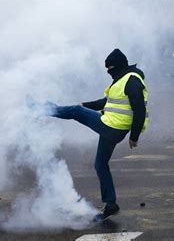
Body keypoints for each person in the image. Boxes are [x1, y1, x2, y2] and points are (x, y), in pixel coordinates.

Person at [28, 49, 148, 221]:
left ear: (120, 65)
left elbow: (140, 110)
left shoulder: (132, 81)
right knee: (100, 165)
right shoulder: (121, 80)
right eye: (107, 69)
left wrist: (134, 136)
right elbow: (106, 102)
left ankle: (43, 109)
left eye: (111, 68)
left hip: (113, 127)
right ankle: (111, 204)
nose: (109, 72)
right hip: (111, 125)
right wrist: (85, 104)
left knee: (76, 112)